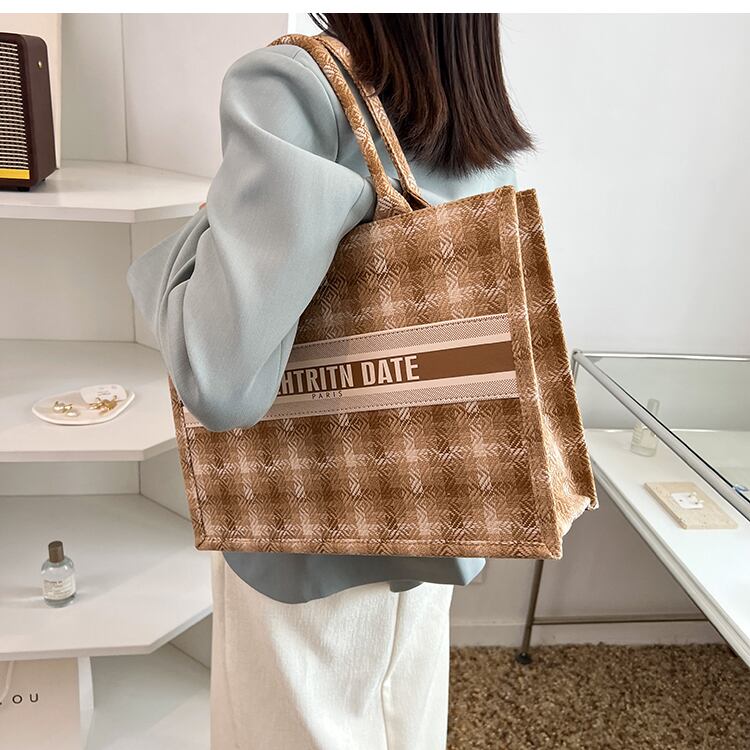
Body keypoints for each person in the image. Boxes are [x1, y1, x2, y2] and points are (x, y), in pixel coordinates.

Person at [127, 13, 532, 749]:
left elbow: (218, 379)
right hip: (433, 511)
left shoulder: (294, 86)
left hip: (304, 532)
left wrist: (196, 236)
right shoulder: (466, 107)